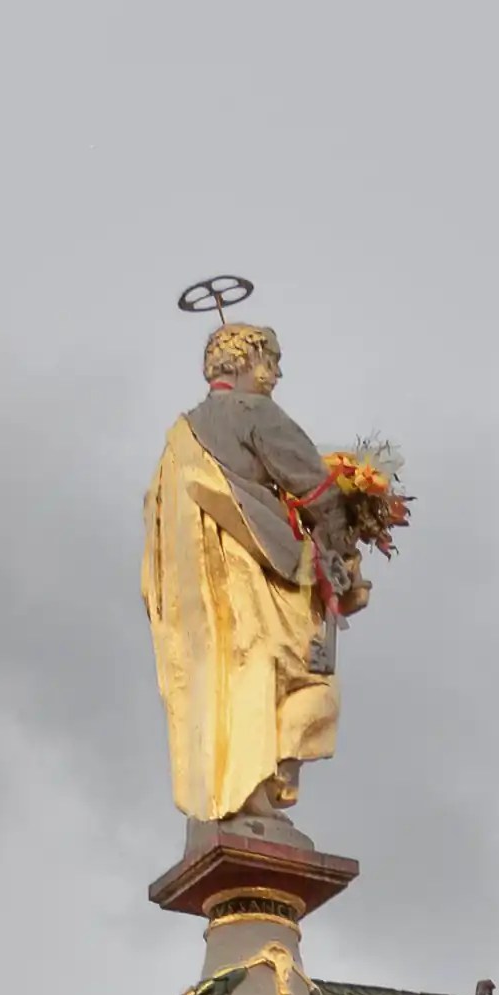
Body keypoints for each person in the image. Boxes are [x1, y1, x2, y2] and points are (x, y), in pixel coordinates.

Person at [142, 322, 343, 824]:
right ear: (247, 361)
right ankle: (255, 785)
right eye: (269, 362)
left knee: (224, 682)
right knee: (289, 675)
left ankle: (225, 790)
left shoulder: (175, 444)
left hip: (200, 600)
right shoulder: (254, 412)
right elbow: (315, 486)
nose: (275, 374)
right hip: (251, 583)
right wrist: (341, 537)